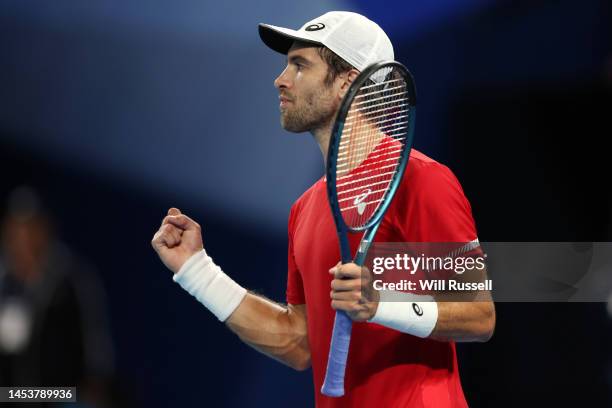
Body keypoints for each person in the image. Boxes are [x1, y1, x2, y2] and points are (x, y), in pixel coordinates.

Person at [151, 11, 495, 407]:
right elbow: (299, 343)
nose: (280, 80)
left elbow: (479, 316)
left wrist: (382, 305)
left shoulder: (423, 179)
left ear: (349, 81)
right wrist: (196, 271)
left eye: (300, 66)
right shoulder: (305, 208)